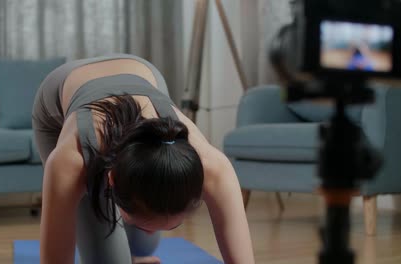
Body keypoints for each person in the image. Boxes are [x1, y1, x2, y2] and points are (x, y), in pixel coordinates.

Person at [32, 54, 255, 264]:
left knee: (143, 243)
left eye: (171, 227)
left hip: (142, 72)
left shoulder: (213, 168)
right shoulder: (70, 162)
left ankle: (136, 251)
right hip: (56, 101)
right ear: (112, 181)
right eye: (142, 223)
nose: (151, 229)